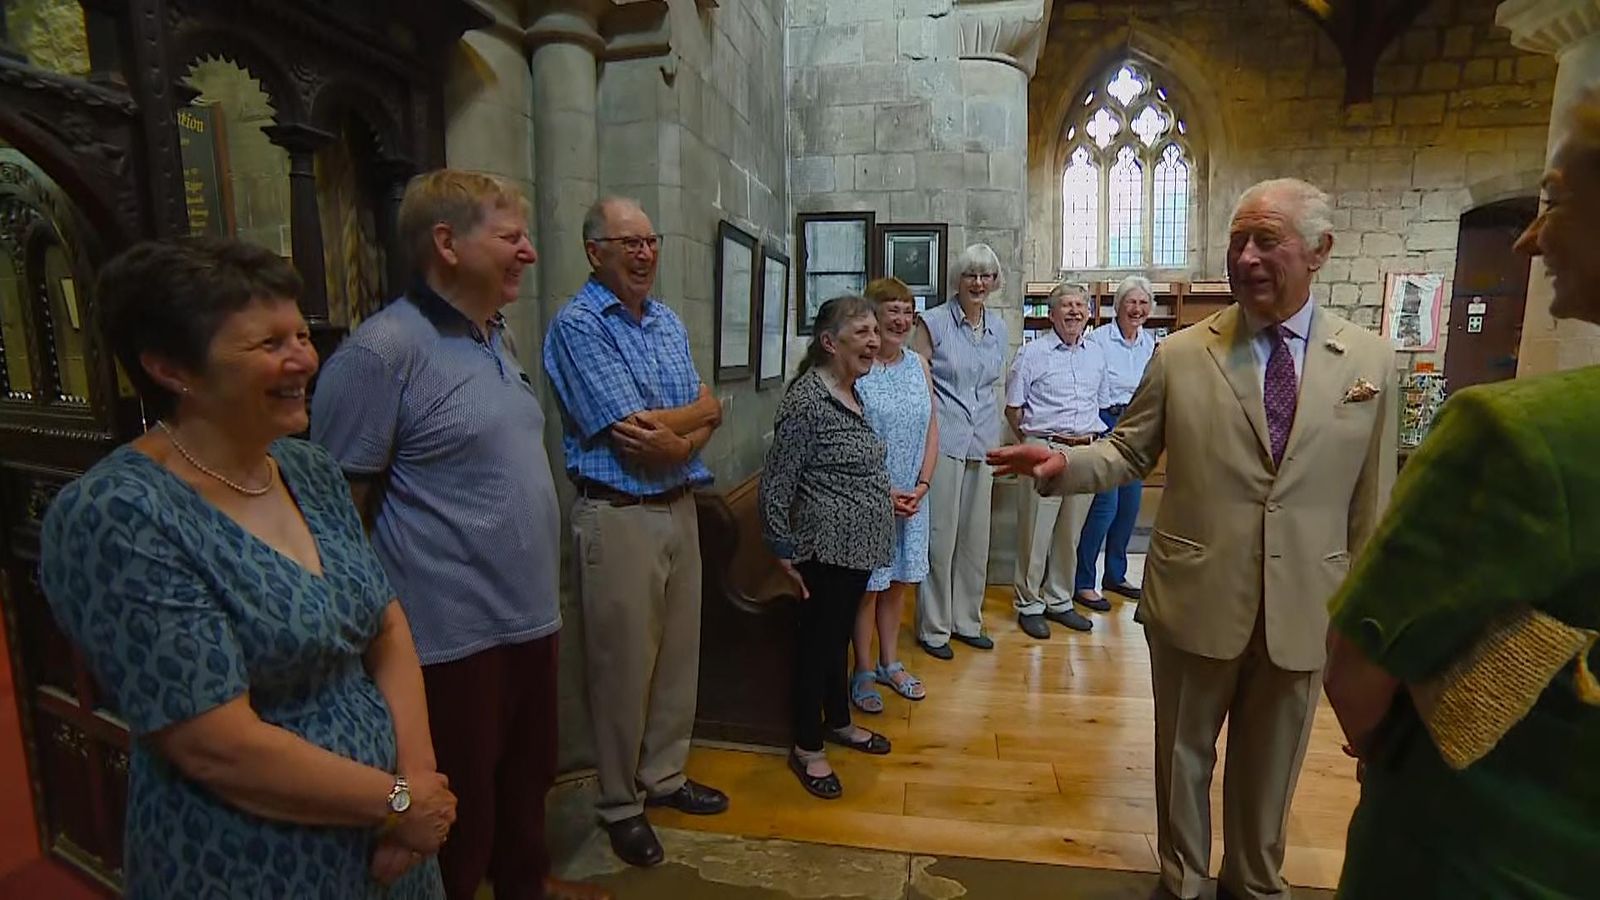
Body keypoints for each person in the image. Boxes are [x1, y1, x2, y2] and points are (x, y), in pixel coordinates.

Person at [990, 178, 1396, 900]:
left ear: (1319, 252)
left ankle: (1255, 884)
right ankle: (1180, 884)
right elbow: (1127, 452)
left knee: (1271, 773)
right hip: (1195, 593)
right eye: (1237, 240)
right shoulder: (1181, 354)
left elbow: (1372, 506)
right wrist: (1063, 464)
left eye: (1265, 240)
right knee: (1182, 760)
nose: (1245, 256)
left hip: (1305, 603)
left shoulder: (1367, 364)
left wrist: (1367, 632)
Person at [39, 238, 454, 899]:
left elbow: (386, 627)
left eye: (301, 335)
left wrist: (418, 785)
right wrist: (400, 801)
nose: (306, 360)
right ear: (172, 368)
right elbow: (215, 745)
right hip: (249, 860)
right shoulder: (119, 514)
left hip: (391, 844)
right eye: (270, 345)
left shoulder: (305, 466)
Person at [1322, 96, 1600, 899]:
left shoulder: (1515, 435)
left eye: (1556, 200)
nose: (1531, 236)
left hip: (1488, 855)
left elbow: (1358, 679)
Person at [312, 170, 606, 900]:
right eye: (511, 238)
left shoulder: (494, 338)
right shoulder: (382, 353)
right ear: (446, 242)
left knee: (524, 797)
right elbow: (334, 515)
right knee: (457, 824)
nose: (530, 253)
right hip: (446, 639)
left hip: (527, 621)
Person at [543, 196, 729, 868]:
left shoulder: (668, 321)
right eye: (630, 244)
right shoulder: (578, 325)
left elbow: (696, 414)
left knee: (680, 655)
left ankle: (666, 776)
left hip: (680, 503)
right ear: (596, 252)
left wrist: (691, 422)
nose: (645, 254)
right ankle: (622, 802)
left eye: (651, 241)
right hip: (617, 511)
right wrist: (698, 417)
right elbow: (631, 432)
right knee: (622, 666)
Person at [761, 295, 896, 799]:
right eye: (861, 333)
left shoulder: (852, 393)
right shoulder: (806, 401)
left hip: (857, 547)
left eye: (874, 331)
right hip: (825, 548)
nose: (874, 341)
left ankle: (838, 719)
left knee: (836, 639)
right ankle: (807, 744)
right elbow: (777, 482)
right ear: (828, 342)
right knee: (816, 646)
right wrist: (780, 548)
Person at [911, 243, 1010, 660]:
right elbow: (919, 384)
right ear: (958, 278)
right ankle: (934, 628)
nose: (979, 283)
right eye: (971, 274)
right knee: (940, 537)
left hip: (983, 439)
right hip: (945, 438)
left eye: (986, 275)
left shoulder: (1000, 327)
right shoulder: (932, 323)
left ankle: (967, 620)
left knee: (975, 537)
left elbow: (990, 386)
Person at [850, 278, 938, 714]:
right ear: (873, 317)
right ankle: (863, 669)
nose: (901, 320)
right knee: (870, 585)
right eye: (892, 311)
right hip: (871, 495)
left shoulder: (919, 365)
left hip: (914, 496)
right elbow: (849, 437)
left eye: (908, 311)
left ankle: (890, 661)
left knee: (900, 580)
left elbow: (932, 428)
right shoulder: (858, 368)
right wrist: (883, 491)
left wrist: (922, 485)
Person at [1005, 282, 1108, 638]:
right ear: (1051, 314)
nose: (1074, 312)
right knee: (1035, 532)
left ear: (1089, 313)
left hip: (1085, 452)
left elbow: (1101, 401)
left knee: (1070, 534)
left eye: (1080, 305)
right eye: (1066, 306)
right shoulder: (1032, 354)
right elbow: (1013, 408)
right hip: (1045, 448)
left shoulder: (1096, 354)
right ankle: (1029, 603)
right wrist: (1032, 442)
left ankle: (1060, 599)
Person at [1075, 275, 1158, 606]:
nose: (1136, 309)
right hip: (1105, 420)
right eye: (1130, 302)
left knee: (1129, 505)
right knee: (1104, 506)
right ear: (1118, 306)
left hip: (1136, 423)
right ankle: (1083, 579)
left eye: (1142, 303)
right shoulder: (1098, 340)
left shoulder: (1150, 343)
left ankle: (1115, 574)